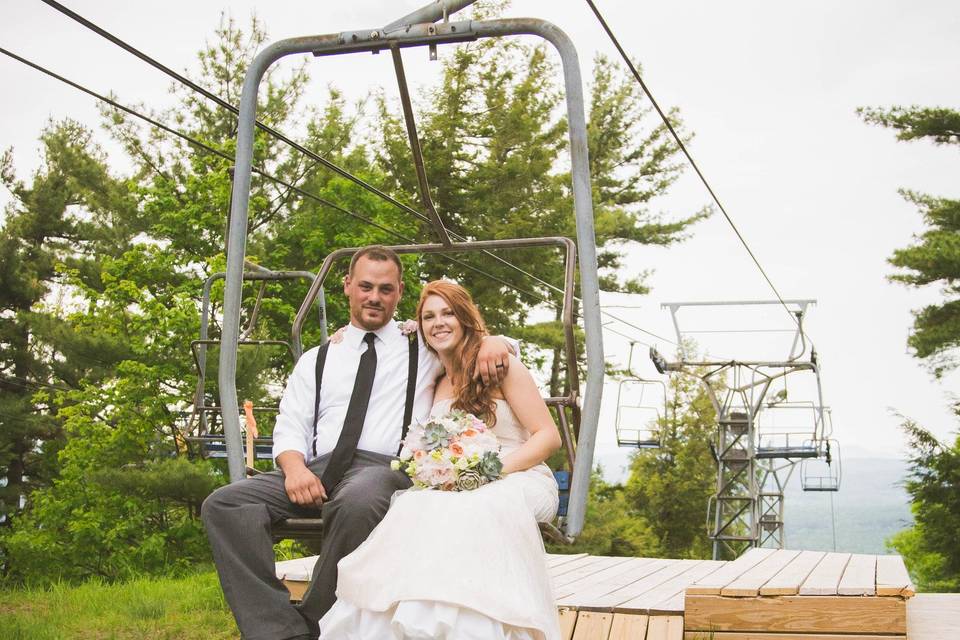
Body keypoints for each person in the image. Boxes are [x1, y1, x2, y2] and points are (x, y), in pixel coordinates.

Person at [201, 246, 517, 640]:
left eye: (386, 289)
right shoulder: (318, 358)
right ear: (348, 286)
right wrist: (295, 469)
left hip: (381, 468)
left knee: (359, 500)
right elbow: (289, 426)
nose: (374, 297)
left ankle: (317, 619)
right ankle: (279, 630)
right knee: (225, 505)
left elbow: (465, 338)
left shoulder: (420, 347)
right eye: (365, 286)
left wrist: (495, 342)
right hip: (317, 468)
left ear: (399, 292)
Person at [319, 279, 563, 640]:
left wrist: (488, 472)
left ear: (465, 318)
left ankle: (473, 626)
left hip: (518, 473)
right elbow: (379, 334)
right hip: (459, 482)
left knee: (480, 506)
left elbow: (548, 437)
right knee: (414, 505)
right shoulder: (436, 379)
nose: (439, 323)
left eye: (448, 313)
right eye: (429, 316)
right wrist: (346, 334)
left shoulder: (501, 365)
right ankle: (409, 621)